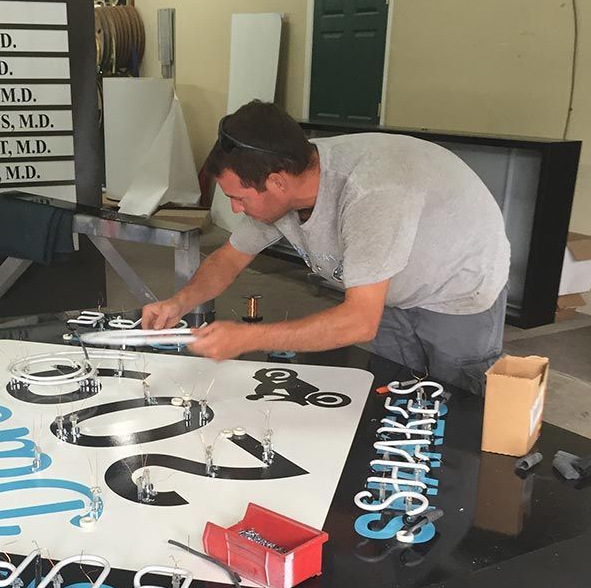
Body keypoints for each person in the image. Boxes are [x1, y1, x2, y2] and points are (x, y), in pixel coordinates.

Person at [141, 101, 510, 394]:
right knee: (395, 389)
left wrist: (247, 337)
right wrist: (179, 303)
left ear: (277, 182)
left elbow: (359, 321)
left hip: (456, 287)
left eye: (238, 198)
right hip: (388, 288)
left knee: (461, 404)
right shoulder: (281, 181)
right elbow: (229, 258)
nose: (236, 209)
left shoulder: (370, 191)